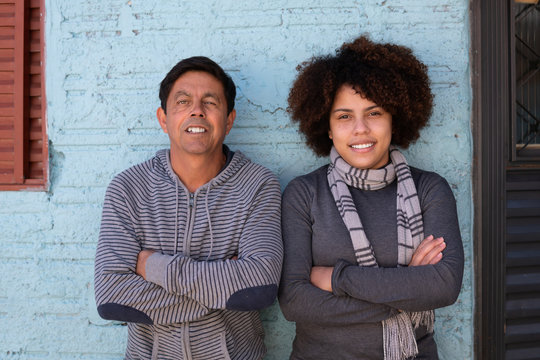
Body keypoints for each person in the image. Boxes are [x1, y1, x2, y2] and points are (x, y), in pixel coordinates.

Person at [279, 36, 464, 360]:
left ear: (395, 118)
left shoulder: (430, 190)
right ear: (327, 127)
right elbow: (294, 300)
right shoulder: (304, 193)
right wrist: (408, 287)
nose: (360, 129)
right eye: (344, 116)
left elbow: (444, 285)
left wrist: (336, 278)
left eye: (374, 112)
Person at [94, 56, 283, 360]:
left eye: (210, 102)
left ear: (229, 120)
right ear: (163, 119)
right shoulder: (129, 188)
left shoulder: (258, 185)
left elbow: (259, 287)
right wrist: (224, 288)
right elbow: (112, 298)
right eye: (183, 102)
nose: (197, 110)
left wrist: (153, 266)